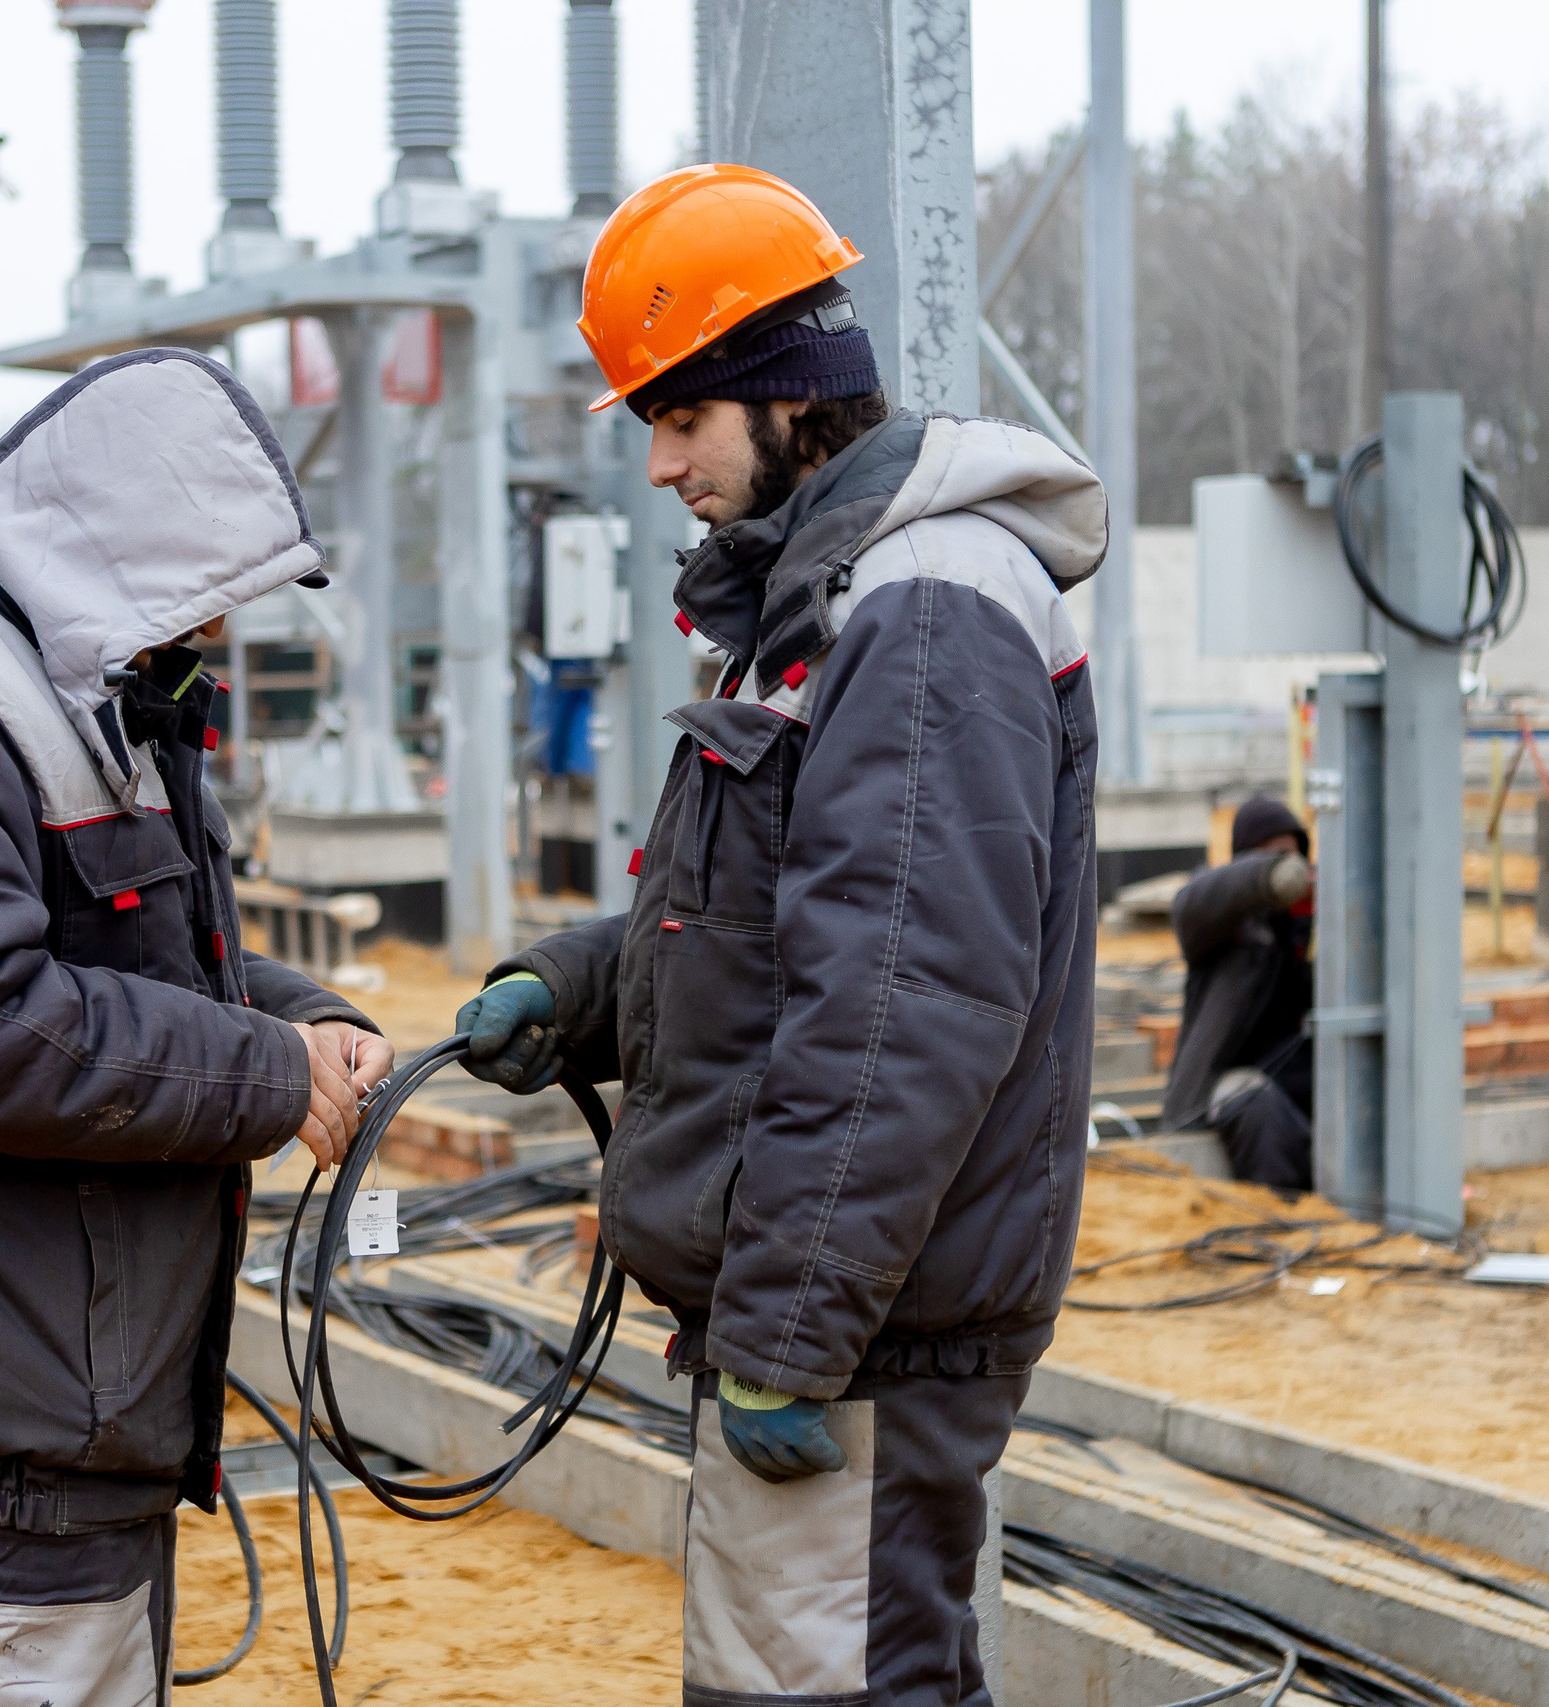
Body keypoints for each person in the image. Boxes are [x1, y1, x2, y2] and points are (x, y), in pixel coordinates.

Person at [453, 165, 1106, 1707]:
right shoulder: (829, 603)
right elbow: (774, 921)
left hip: (860, 1331)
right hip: (844, 1310)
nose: (664, 461)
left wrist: (789, 1334)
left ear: (781, 391)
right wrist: (584, 980)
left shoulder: (924, 603)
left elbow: (903, 1003)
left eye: (681, 416)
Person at [0, 349, 393, 1706]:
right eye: (210, 594)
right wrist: (261, 1074)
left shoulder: (76, 684)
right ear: (132, 551)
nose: (214, 633)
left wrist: (306, 1021)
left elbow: (128, 953)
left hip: (60, 1422)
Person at [1163, 794, 1316, 1191]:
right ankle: (1277, 1219)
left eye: (1292, 856)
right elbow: (1190, 903)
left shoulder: (1308, 929)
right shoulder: (1222, 927)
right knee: (1258, 1107)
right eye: (1271, 858)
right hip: (1220, 1084)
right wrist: (1268, 879)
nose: (1290, 868)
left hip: (1293, 1075)